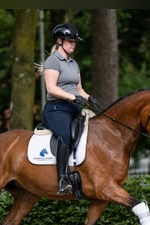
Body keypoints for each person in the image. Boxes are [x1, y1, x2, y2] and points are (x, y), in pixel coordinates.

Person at [42, 23, 102, 195]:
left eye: (74, 42)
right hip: (56, 109)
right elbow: (51, 88)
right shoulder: (53, 61)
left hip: (74, 108)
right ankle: (61, 179)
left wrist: (90, 99)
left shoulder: (74, 64)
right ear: (60, 41)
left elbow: (79, 88)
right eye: (70, 41)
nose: (73, 44)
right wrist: (72, 97)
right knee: (66, 136)